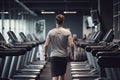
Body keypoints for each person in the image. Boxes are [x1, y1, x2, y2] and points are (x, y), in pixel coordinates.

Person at [43, 14, 75, 80]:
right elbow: (72, 44)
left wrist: (45, 55)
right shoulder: (67, 32)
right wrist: (72, 54)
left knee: (55, 75)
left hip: (54, 56)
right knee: (62, 75)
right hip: (63, 56)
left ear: (56, 21)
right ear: (63, 22)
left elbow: (46, 45)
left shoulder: (50, 32)